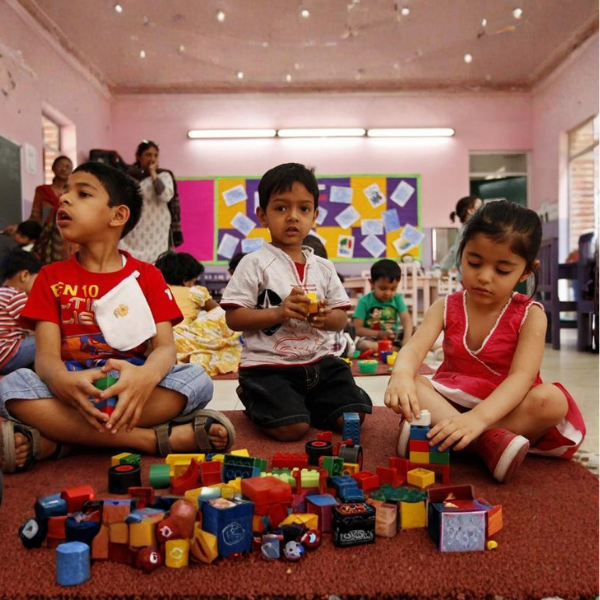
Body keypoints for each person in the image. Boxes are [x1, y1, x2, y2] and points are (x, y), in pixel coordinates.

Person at [0, 162, 234, 474]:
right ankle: (148, 440)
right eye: (65, 192)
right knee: (11, 386)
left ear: (118, 215)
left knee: (197, 380)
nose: (64, 199)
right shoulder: (49, 277)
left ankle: (60, 442)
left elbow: (165, 349)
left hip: (132, 389)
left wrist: (145, 377)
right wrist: (60, 380)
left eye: (83, 193)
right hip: (72, 390)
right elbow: (45, 357)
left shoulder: (147, 275)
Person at [385, 200, 586, 483]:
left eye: (502, 270)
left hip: (506, 405)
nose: (483, 277)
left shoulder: (531, 314)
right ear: (462, 252)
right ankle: (485, 445)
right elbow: (415, 348)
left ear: (527, 271)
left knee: (553, 401)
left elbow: (522, 378)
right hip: (453, 400)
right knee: (414, 384)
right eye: (474, 262)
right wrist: (402, 374)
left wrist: (478, 419)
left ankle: (443, 435)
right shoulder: (445, 306)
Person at [222, 162, 372, 442]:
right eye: (281, 208)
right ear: (262, 215)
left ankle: (302, 404)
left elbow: (341, 318)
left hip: (321, 365)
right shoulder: (253, 263)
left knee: (352, 416)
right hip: (268, 368)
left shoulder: (324, 267)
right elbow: (234, 318)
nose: (293, 217)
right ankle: (254, 397)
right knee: (292, 429)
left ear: (314, 215)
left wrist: (325, 318)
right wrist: (278, 313)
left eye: (303, 209)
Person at [155, 251, 242, 377]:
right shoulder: (195, 292)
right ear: (186, 280)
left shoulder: (158, 291)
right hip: (181, 338)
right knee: (225, 314)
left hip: (161, 338)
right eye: (194, 280)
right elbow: (218, 311)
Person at [2, 156, 75, 265]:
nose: (64, 169)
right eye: (60, 165)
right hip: (44, 242)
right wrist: (19, 227)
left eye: (67, 166)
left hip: (68, 242)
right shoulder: (42, 191)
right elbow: (35, 218)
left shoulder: (74, 193)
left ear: (72, 171)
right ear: (53, 168)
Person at [119, 140, 178, 264]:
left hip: (157, 230)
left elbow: (165, 196)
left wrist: (153, 173)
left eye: (155, 155)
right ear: (139, 157)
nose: (152, 158)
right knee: (131, 263)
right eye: (148, 155)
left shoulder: (164, 175)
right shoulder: (127, 177)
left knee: (157, 264)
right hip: (134, 230)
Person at [353, 258, 413, 353]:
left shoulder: (397, 299)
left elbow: (406, 320)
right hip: (373, 338)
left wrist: (406, 340)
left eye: (393, 289)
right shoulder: (364, 302)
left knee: (417, 331)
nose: (388, 293)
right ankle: (397, 349)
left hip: (393, 336)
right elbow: (357, 329)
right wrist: (379, 334)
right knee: (364, 345)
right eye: (382, 288)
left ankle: (436, 348)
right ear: (372, 283)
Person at [0, 249, 42, 374]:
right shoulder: (16, 296)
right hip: (7, 354)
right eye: (37, 280)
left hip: (3, 355)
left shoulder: (3, 293)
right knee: (49, 339)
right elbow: (38, 324)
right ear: (24, 275)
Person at [438, 195, 483, 279]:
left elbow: (454, 249)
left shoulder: (467, 228)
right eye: (480, 207)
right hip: (471, 275)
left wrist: (444, 268)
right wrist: (444, 268)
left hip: (469, 274)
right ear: (471, 211)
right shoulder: (471, 228)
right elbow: (456, 250)